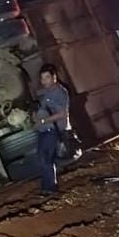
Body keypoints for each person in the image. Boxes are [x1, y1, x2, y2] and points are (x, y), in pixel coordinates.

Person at [34, 63, 71, 195]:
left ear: (54, 77)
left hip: (53, 130)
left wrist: (44, 120)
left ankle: (50, 188)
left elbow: (62, 113)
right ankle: (47, 187)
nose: (44, 81)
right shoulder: (48, 92)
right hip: (45, 129)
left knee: (45, 159)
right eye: (42, 78)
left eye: (47, 78)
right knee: (42, 158)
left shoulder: (60, 92)